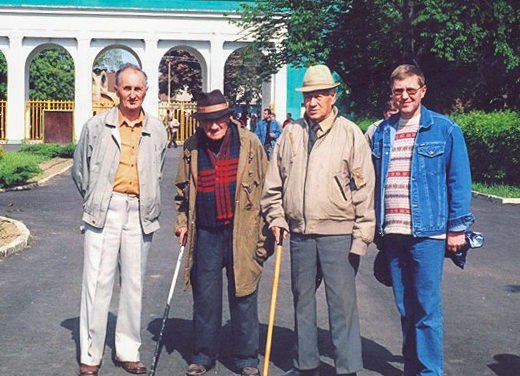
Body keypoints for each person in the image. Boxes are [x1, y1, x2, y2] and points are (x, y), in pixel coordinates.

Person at [261, 64, 375, 376]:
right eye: (309, 95)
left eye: (320, 95)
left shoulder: (350, 134)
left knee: (342, 306)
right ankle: (305, 363)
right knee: (302, 302)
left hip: (338, 233)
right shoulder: (290, 133)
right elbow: (273, 184)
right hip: (299, 233)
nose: (313, 101)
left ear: (332, 96)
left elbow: (364, 189)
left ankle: (347, 367)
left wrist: (362, 236)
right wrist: (276, 216)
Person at [369, 64, 474, 376]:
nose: (404, 96)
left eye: (410, 90)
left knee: (426, 308)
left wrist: (457, 228)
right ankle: (412, 367)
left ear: (423, 91)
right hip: (393, 232)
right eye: (399, 91)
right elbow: (374, 180)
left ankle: (430, 371)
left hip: (428, 232)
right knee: (405, 307)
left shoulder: (445, 129)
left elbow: (459, 180)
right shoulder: (383, 132)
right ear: (392, 93)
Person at [72, 63, 167, 376]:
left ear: (146, 91)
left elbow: (158, 170)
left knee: (133, 285)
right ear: (116, 90)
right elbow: (80, 170)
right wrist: (97, 198)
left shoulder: (158, 130)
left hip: (139, 212)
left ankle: (128, 351)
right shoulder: (97, 126)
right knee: (96, 284)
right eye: (126, 88)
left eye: (138, 88)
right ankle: (90, 355)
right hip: (105, 209)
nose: (132, 94)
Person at [174, 89, 271, 376]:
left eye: (219, 119)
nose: (213, 126)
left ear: (228, 118)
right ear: (199, 122)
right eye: (207, 121)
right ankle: (202, 356)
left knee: (244, 293)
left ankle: (247, 358)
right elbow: (181, 192)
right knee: (205, 296)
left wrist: (268, 229)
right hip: (205, 231)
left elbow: (267, 188)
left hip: (242, 230)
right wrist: (181, 222)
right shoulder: (191, 147)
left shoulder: (250, 144)